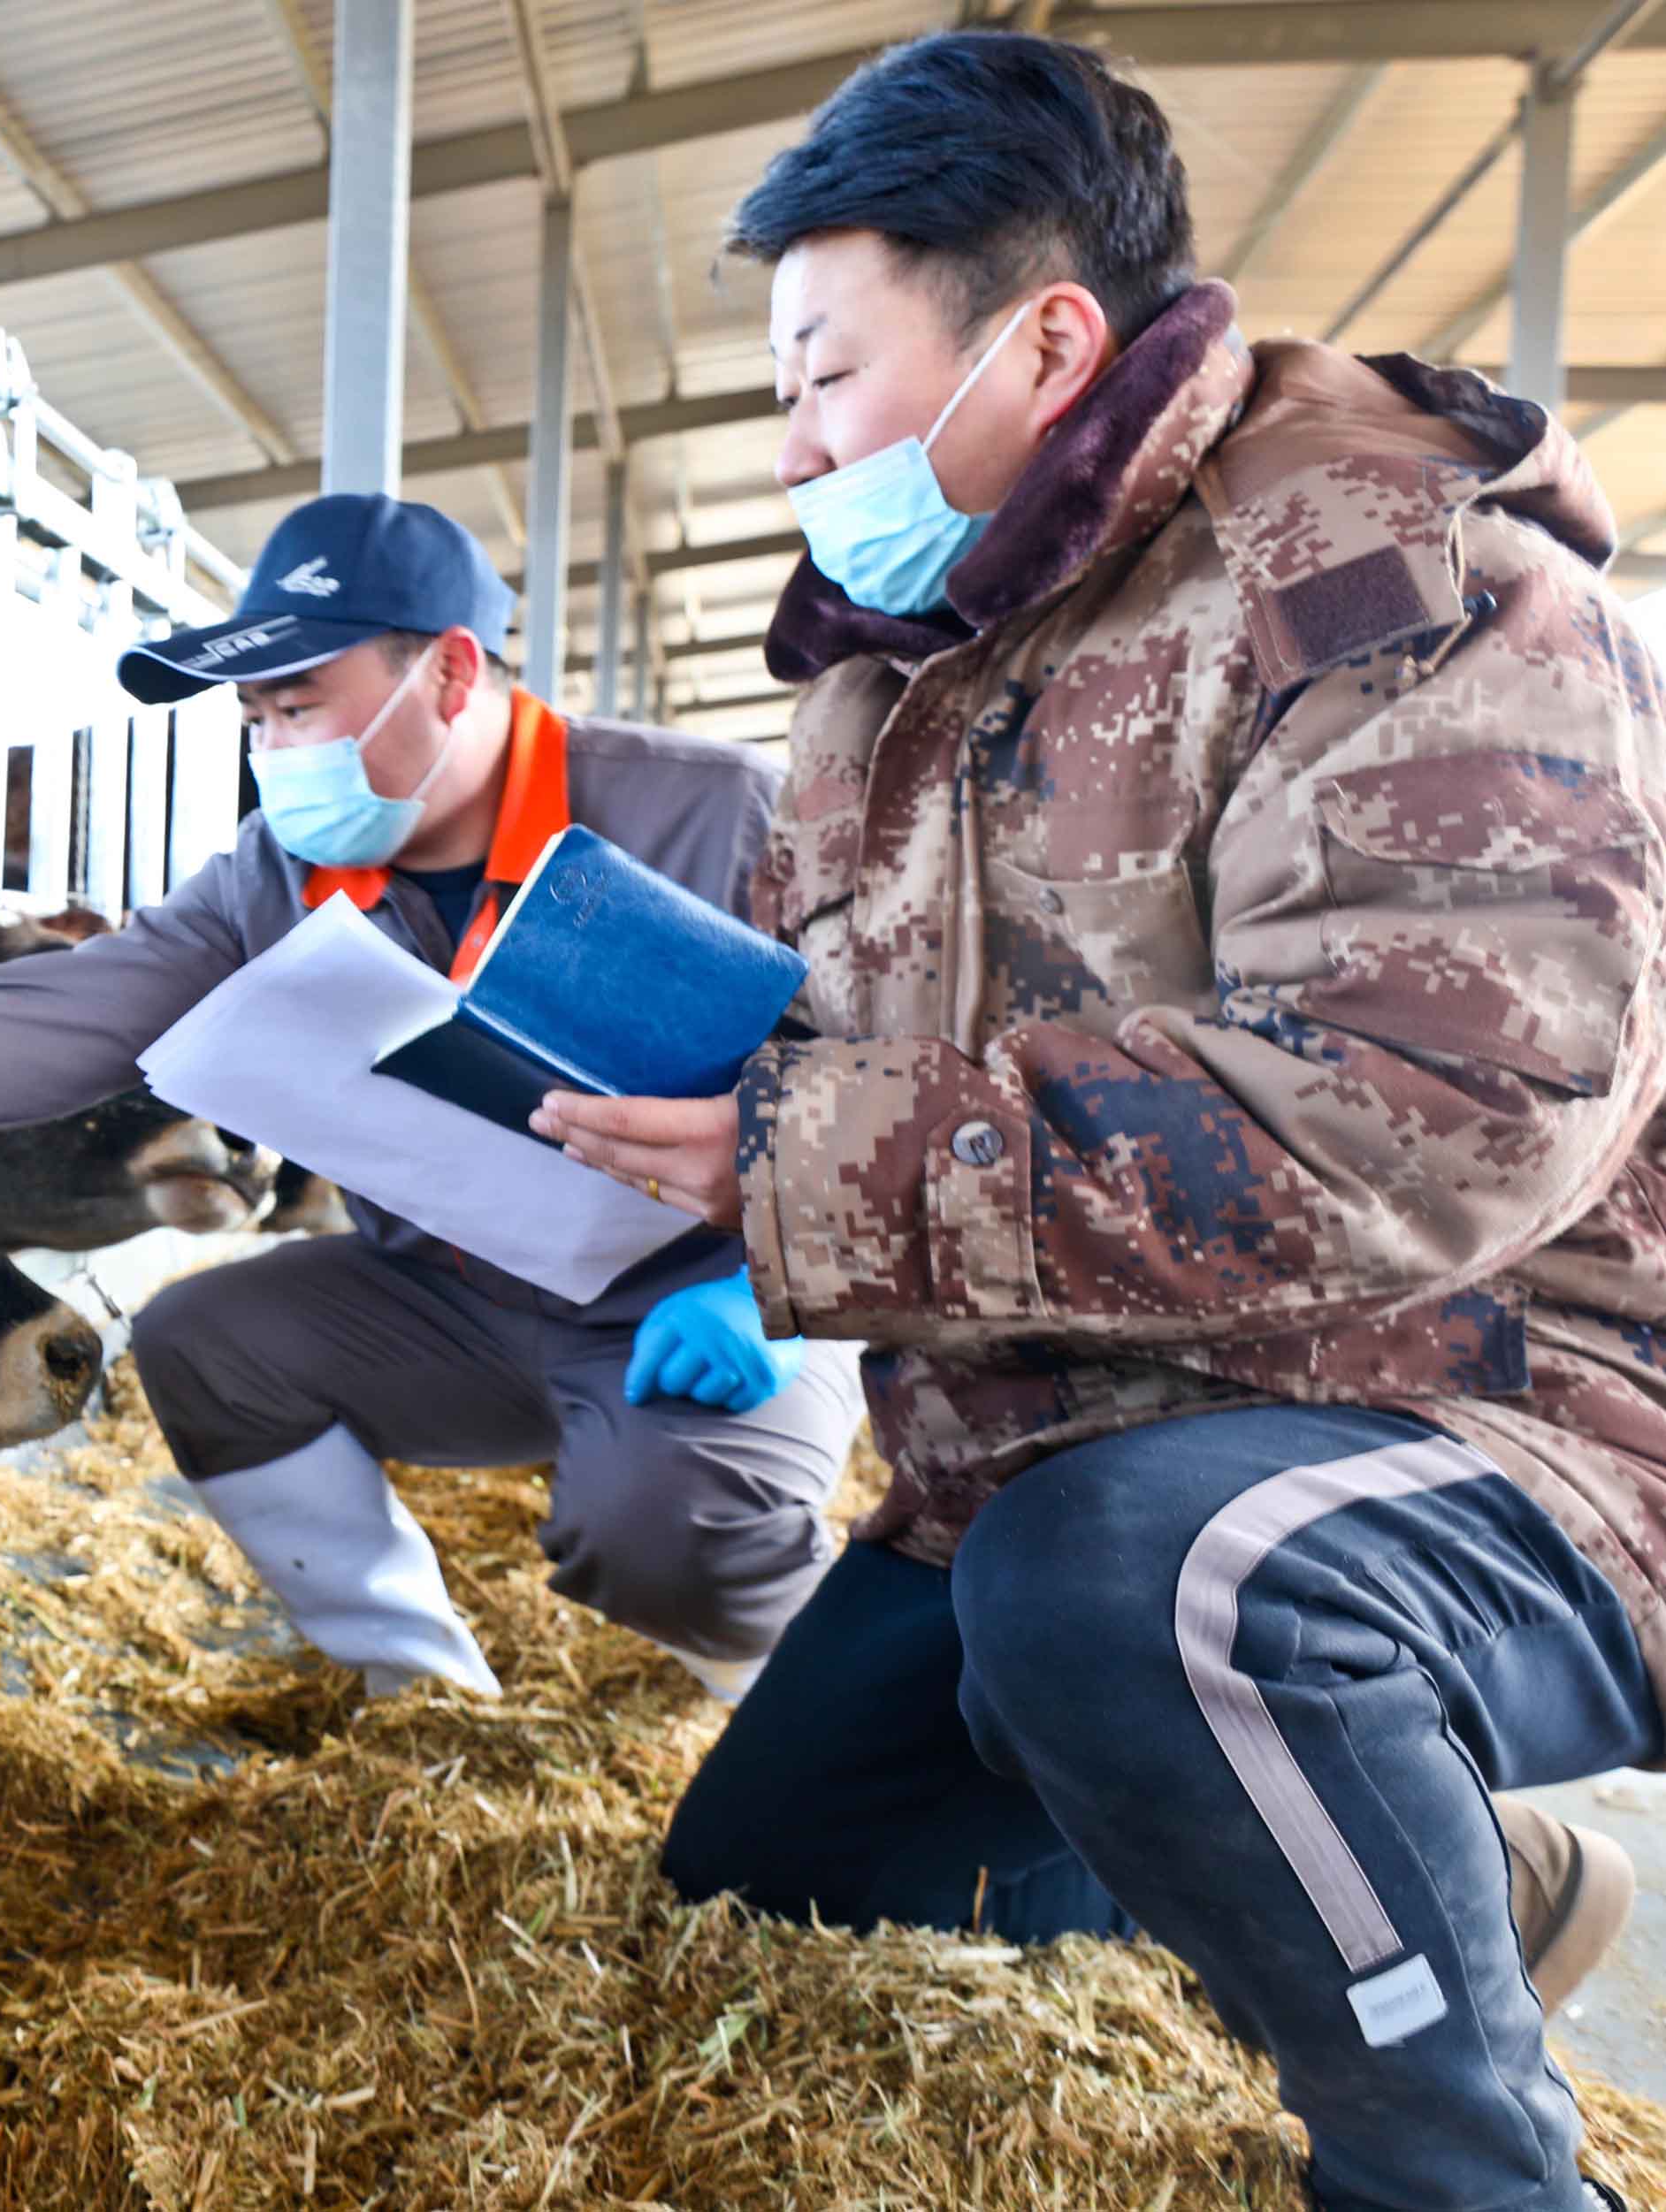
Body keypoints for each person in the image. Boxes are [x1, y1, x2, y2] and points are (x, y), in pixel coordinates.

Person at [532, 32, 1661, 2210]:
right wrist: (693, 1143)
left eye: (822, 378)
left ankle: (1472, 2172)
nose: (792, 451)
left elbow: (1436, 1111)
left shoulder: (1394, 579)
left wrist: (810, 1164)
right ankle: (1457, 1873)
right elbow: (844, 1060)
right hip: (1054, 1448)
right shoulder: (890, 675)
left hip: (1522, 1420)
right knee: (781, 1891)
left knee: (1143, 1597)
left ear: (1044, 342)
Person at [0, 490, 866, 1705]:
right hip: (461, 1301)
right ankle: (422, 1692)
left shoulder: (713, 820)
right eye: (255, 719)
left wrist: (790, 1283)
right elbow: (87, 1005)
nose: (275, 752)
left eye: (302, 707)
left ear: (456, 675)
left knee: (653, 1535)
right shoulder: (282, 873)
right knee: (204, 1344)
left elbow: (893, 1064)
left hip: (708, 1300)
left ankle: (790, 1703)